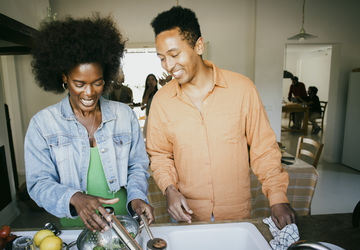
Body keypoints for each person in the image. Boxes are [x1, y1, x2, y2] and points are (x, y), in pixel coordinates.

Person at [146, 6, 295, 229]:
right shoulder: (161, 101)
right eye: (162, 58)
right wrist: (169, 189)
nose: (168, 66)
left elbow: (263, 149)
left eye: (174, 55)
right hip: (187, 215)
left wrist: (277, 198)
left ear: (199, 45)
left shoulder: (243, 89)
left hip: (237, 214)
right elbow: (160, 155)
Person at [25, 15, 154, 232]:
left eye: (97, 83)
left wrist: (137, 198)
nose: (89, 92)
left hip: (124, 224)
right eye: (79, 83)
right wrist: (75, 197)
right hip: (75, 229)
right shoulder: (43, 124)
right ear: (64, 77)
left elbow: (137, 166)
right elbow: (39, 183)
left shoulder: (124, 116)